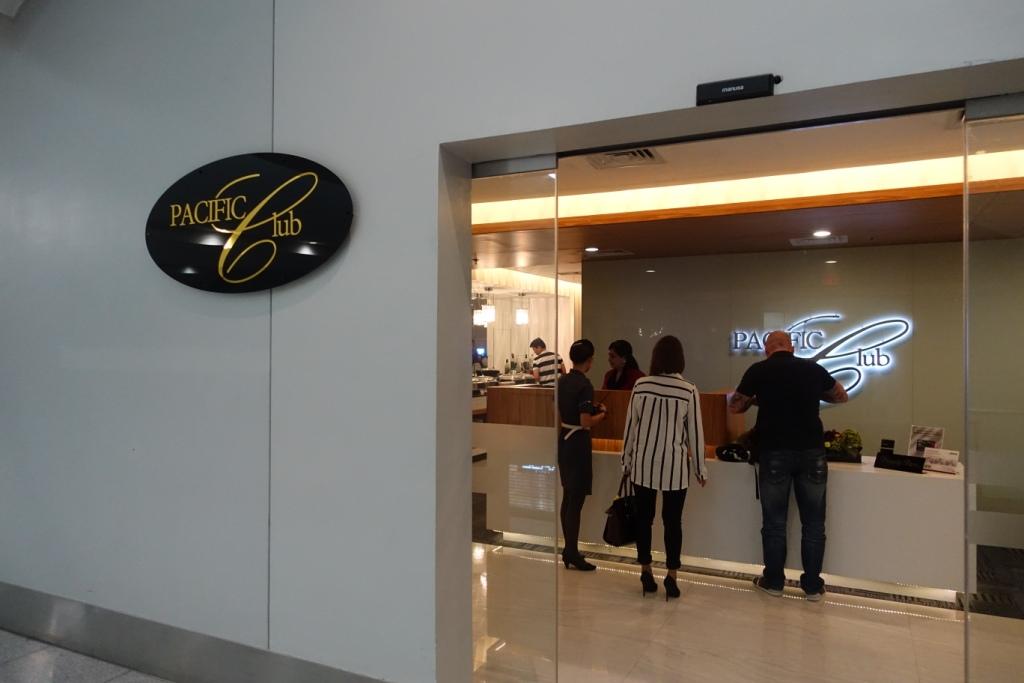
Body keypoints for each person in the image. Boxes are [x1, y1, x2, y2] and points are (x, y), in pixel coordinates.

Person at [728, 330, 849, 602]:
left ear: (767, 349)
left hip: (774, 452)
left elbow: (735, 407)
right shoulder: (812, 369)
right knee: (814, 524)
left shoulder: (759, 370)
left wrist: (758, 399)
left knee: (774, 523)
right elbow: (841, 396)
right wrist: (813, 395)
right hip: (812, 452)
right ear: (792, 348)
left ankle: (773, 582)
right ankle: (813, 587)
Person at [621, 335, 707, 599]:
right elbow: (695, 434)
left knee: (643, 520)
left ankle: (646, 570)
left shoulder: (641, 385)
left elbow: (630, 427)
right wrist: (700, 469)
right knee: (672, 522)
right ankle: (672, 575)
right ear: (680, 359)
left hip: (643, 464)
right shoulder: (688, 390)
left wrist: (626, 459)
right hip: (675, 467)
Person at [557, 339, 607, 571]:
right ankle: (572, 551)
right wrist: (602, 415)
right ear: (589, 360)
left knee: (568, 496)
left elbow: (562, 412)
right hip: (577, 443)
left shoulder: (562, 380)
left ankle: (569, 549)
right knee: (575, 501)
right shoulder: (585, 385)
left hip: (564, 440)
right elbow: (585, 421)